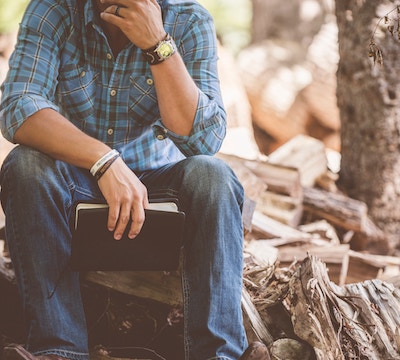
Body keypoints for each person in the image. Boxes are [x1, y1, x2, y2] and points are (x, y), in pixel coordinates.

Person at [0, 0, 270, 359]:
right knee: (25, 165)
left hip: (158, 192)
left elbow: (205, 140)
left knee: (214, 176)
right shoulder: (53, 10)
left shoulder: (189, 19)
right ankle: (59, 350)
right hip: (73, 186)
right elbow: (19, 107)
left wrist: (158, 45)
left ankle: (218, 354)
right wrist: (104, 160)